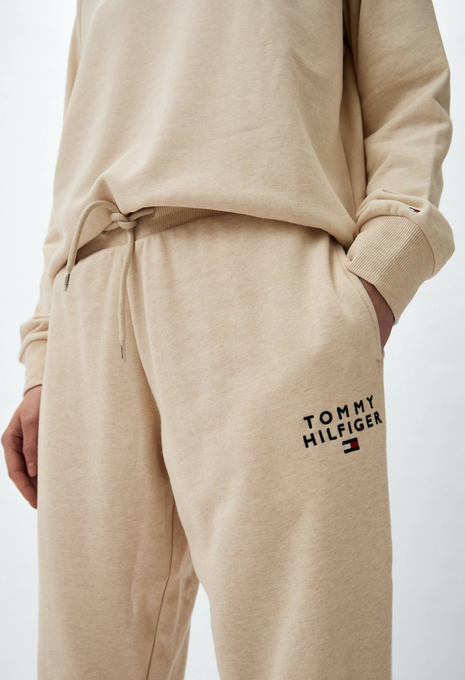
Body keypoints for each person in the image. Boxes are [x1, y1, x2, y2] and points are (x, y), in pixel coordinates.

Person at [2, 1, 454, 678]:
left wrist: (379, 275)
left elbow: (410, 91)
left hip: (269, 284)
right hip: (91, 306)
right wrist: (45, 352)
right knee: (82, 664)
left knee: (308, 660)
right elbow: (83, 137)